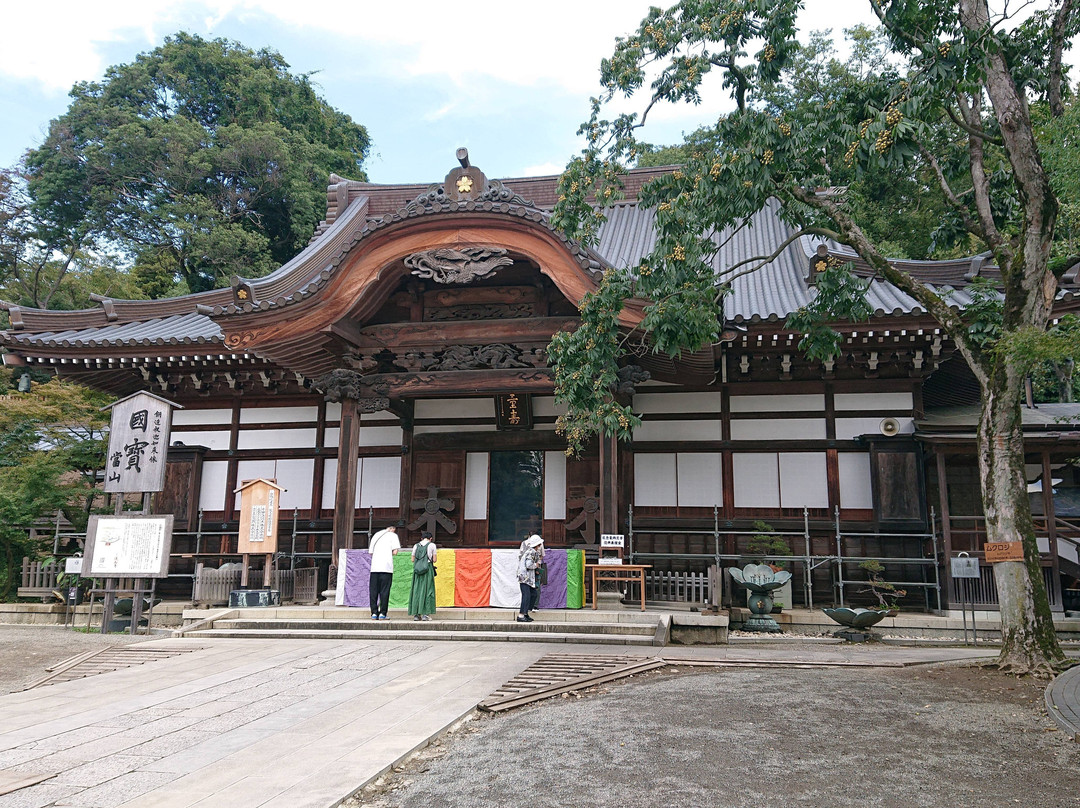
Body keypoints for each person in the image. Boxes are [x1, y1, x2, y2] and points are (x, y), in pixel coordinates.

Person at [367, 524, 400, 620]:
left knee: (373, 591)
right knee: (384, 592)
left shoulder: (376, 535)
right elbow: (395, 552)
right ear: (393, 529)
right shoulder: (393, 535)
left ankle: (373, 613)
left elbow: (370, 552)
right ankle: (382, 613)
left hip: (375, 568)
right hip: (386, 568)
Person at [408, 531, 437, 621]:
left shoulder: (416, 545)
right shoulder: (432, 545)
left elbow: (413, 559)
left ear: (421, 538)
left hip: (417, 570)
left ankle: (416, 615)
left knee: (416, 590)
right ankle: (425, 614)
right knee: (428, 590)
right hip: (427, 569)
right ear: (430, 538)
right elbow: (435, 560)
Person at [517, 534, 544, 623]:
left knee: (533, 594)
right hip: (525, 578)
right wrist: (536, 566)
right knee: (527, 595)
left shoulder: (530, 551)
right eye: (539, 544)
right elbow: (529, 565)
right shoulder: (532, 552)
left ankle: (525, 613)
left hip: (526, 577)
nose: (540, 546)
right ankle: (521, 615)